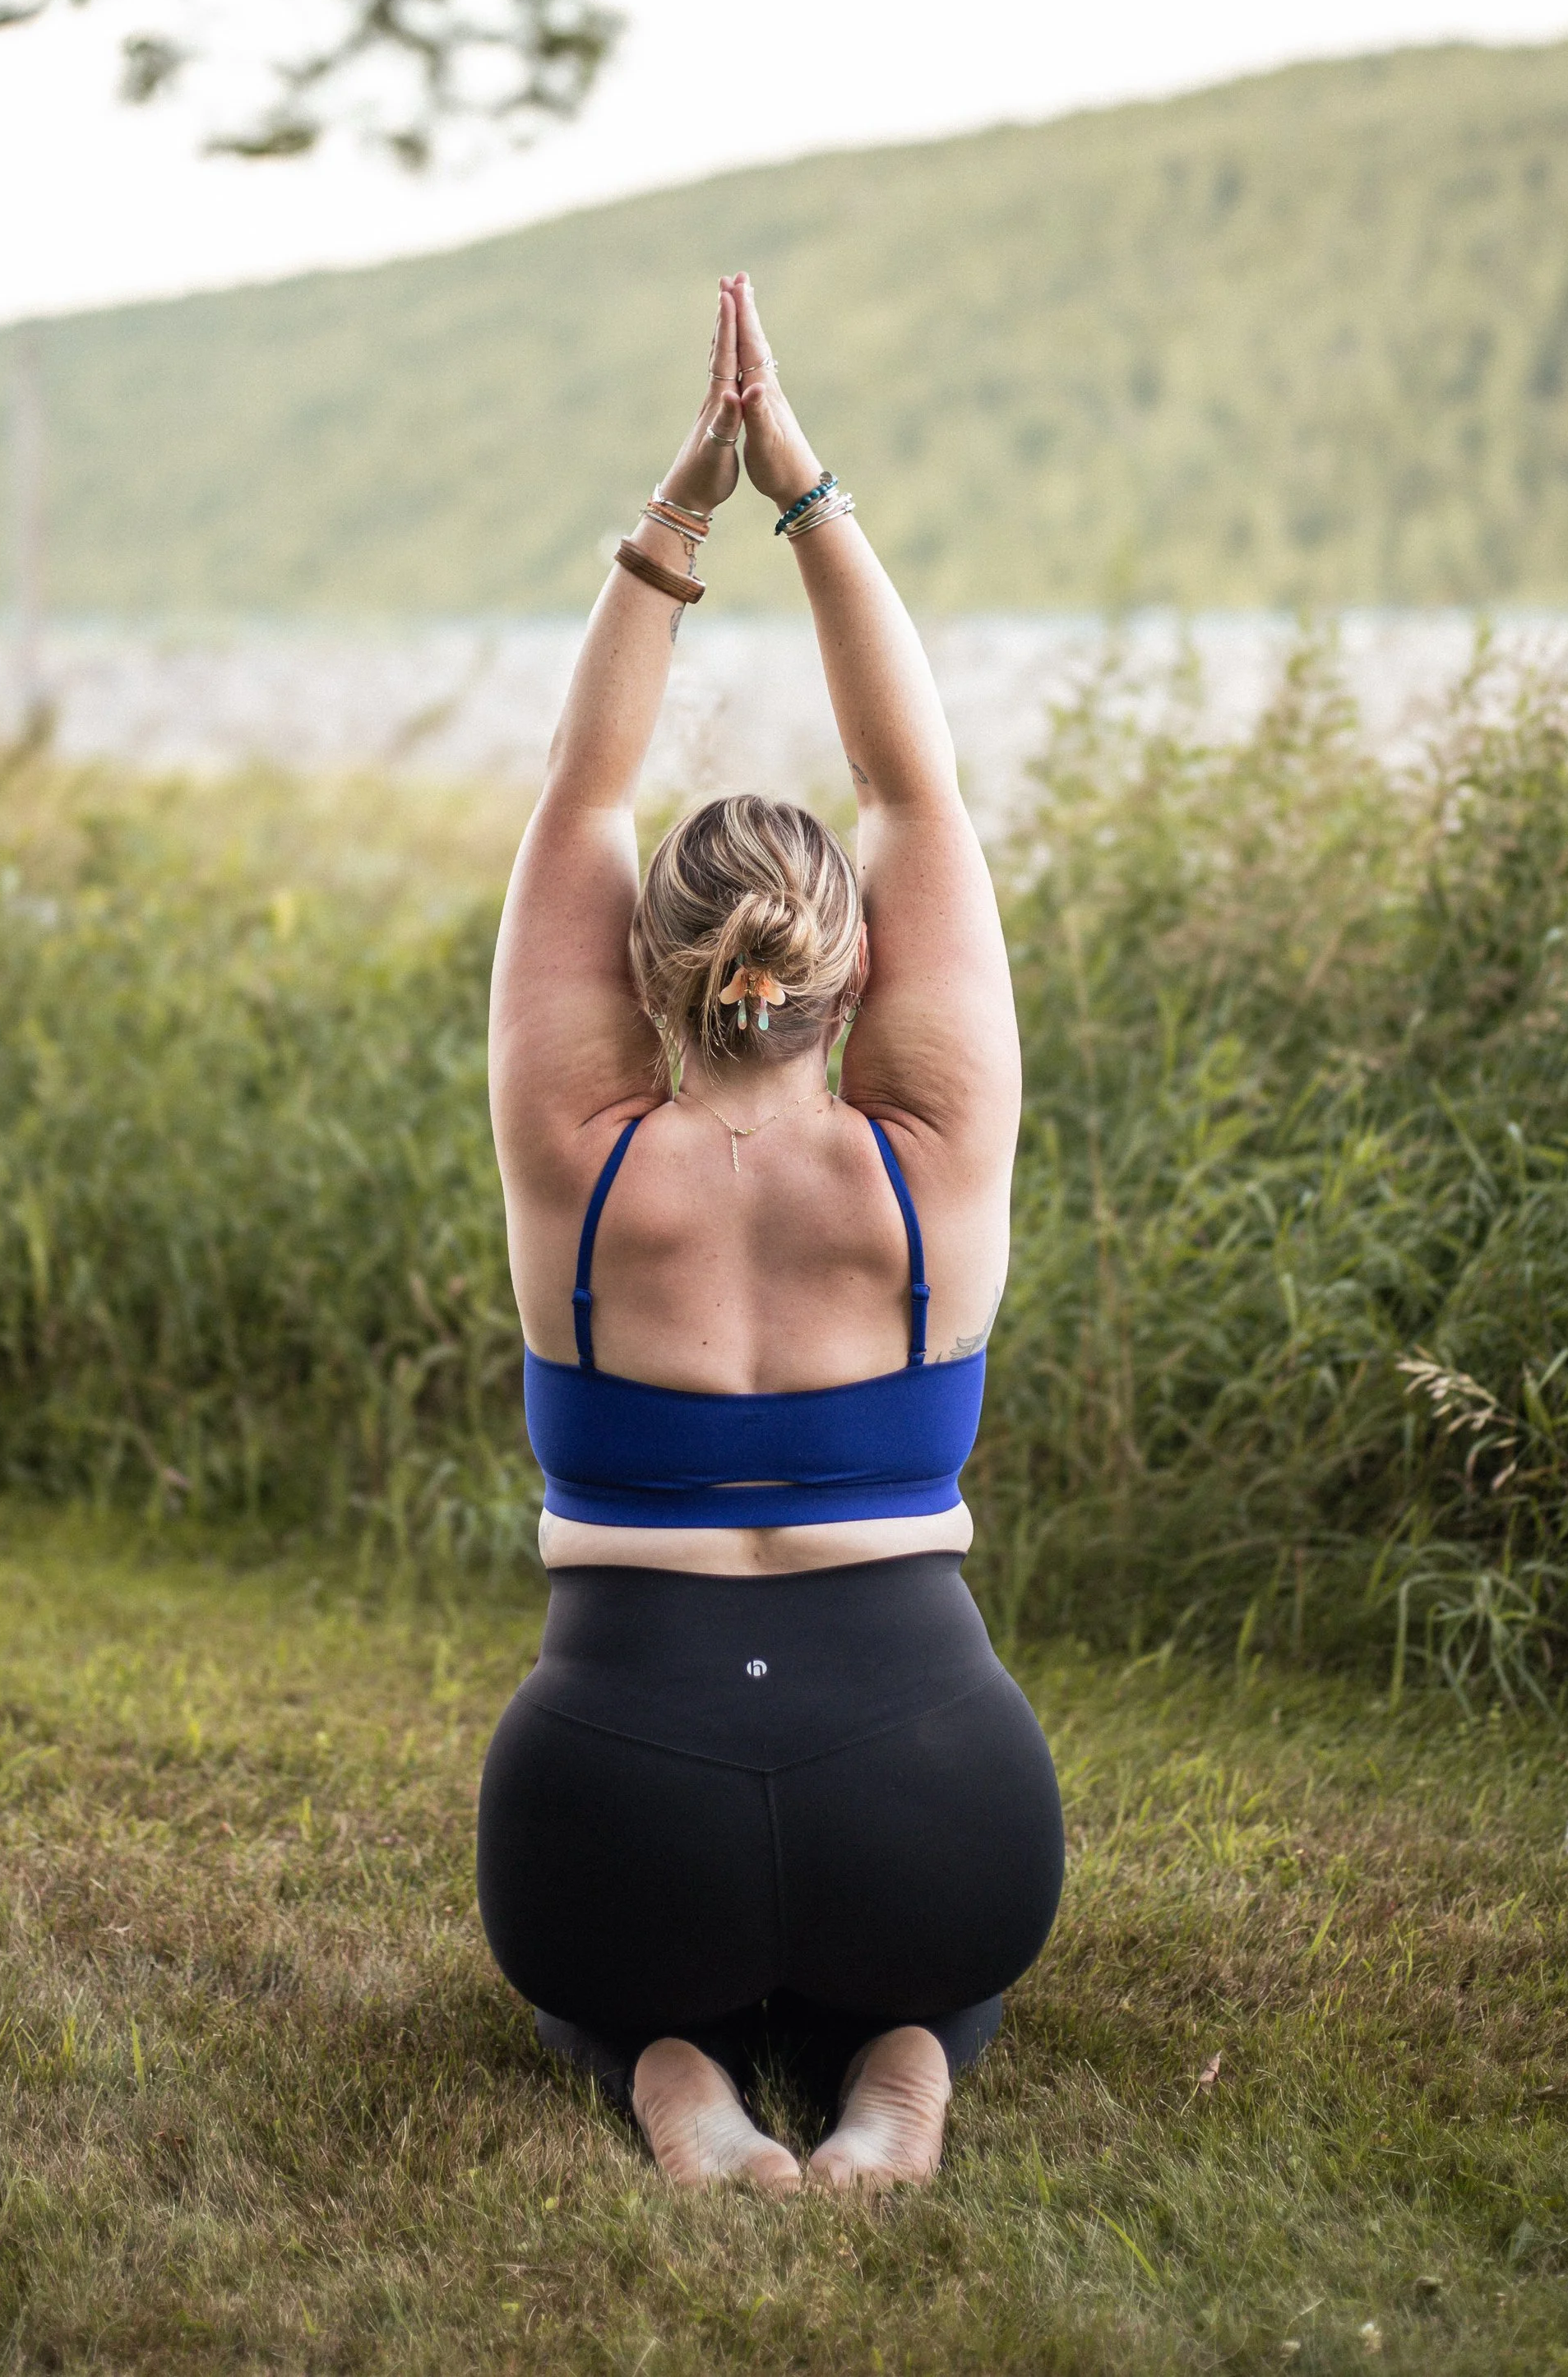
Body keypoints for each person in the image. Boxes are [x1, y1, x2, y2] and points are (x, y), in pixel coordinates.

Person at [475, 274, 1064, 2190]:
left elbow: (580, 797)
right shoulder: (926, 1157)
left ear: (649, 973)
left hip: (611, 1813)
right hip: (934, 1807)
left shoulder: (580, 1163)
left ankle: (666, 2075)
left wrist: (678, 514)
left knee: (613, 1978)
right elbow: (919, 786)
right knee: (925, 1961)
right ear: (854, 971)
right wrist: (802, 484)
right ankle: (908, 2059)